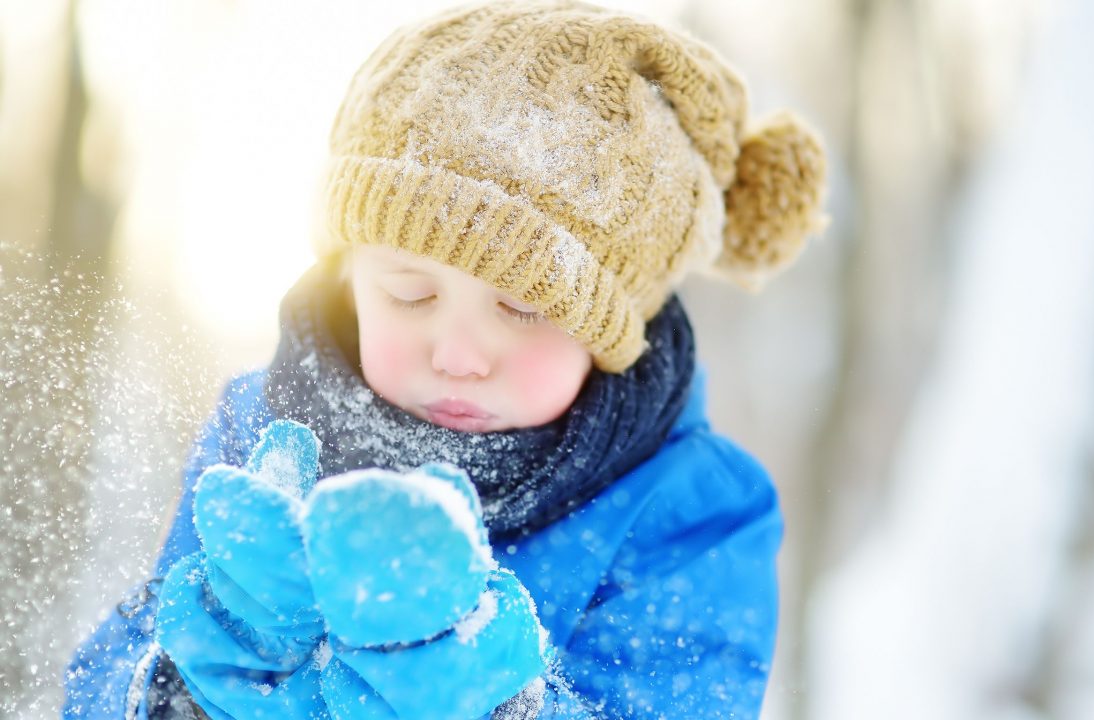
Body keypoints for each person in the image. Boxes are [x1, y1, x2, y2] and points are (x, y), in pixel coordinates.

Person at [62, 0, 827, 717]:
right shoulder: (264, 431)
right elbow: (98, 681)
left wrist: (498, 703)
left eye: (525, 309)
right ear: (352, 276)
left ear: (612, 331)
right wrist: (183, 683)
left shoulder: (689, 510)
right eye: (409, 294)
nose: (459, 355)